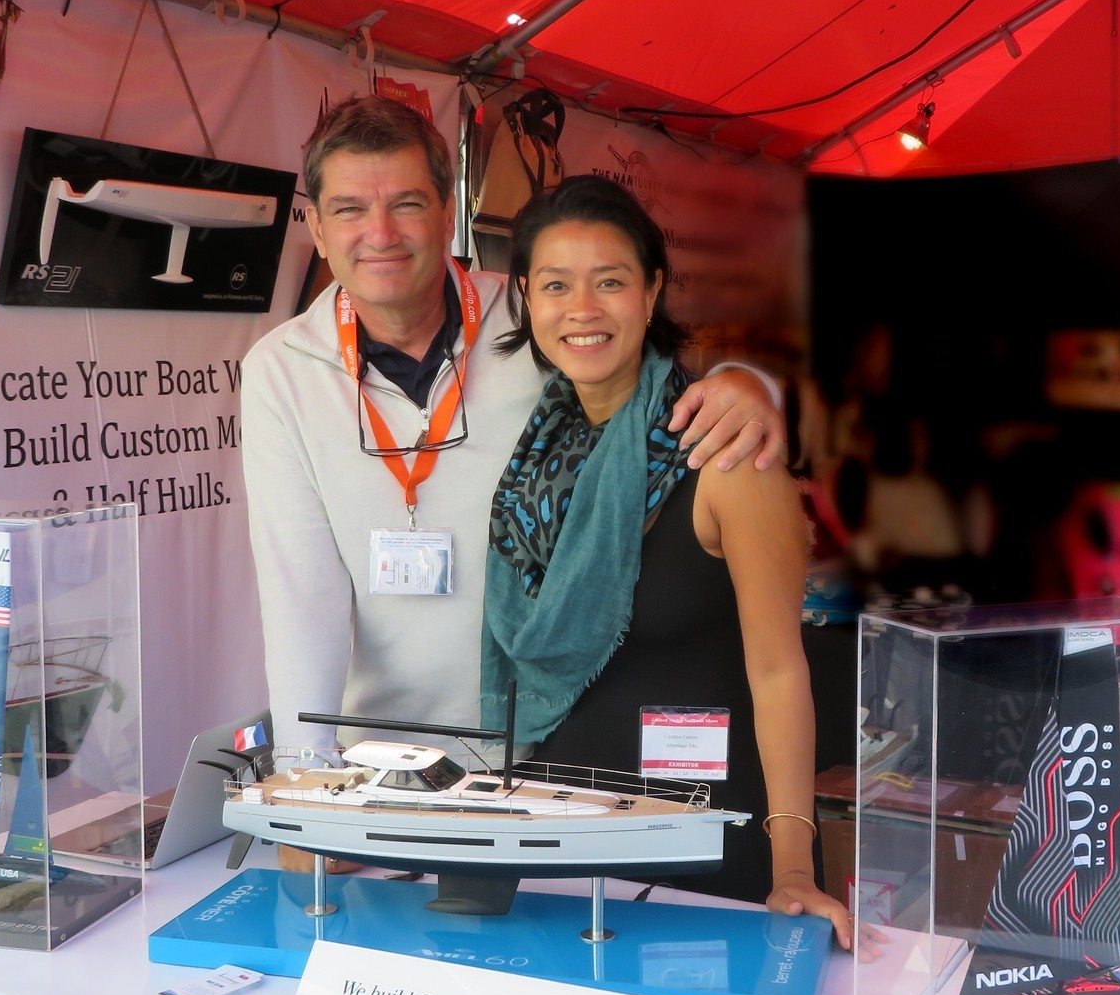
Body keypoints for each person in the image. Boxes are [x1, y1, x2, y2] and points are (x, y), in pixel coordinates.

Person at [240, 96, 780, 767]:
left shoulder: (531, 317)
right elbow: (300, 596)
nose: (380, 233)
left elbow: (655, 383)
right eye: (350, 209)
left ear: (448, 215)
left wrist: (750, 384)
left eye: (407, 203)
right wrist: (306, 771)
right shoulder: (281, 371)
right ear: (317, 228)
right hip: (379, 759)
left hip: (547, 747)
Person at [480, 175, 852, 946]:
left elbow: (781, 672)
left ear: (651, 292)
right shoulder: (534, 454)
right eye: (556, 284)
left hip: (700, 850)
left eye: (610, 281)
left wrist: (793, 866)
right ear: (526, 297)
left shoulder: (726, 454)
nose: (583, 308)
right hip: (559, 841)